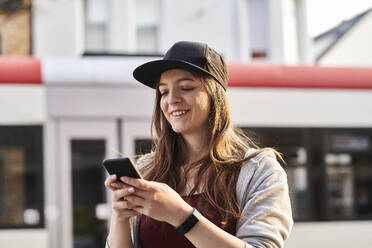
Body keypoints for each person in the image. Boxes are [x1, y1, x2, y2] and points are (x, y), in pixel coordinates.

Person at [104, 41, 293, 248]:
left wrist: (180, 215)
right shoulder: (146, 170)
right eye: (164, 91)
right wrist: (120, 216)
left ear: (214, 96)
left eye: (186, 87)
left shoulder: (259, 171)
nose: (172, 99)